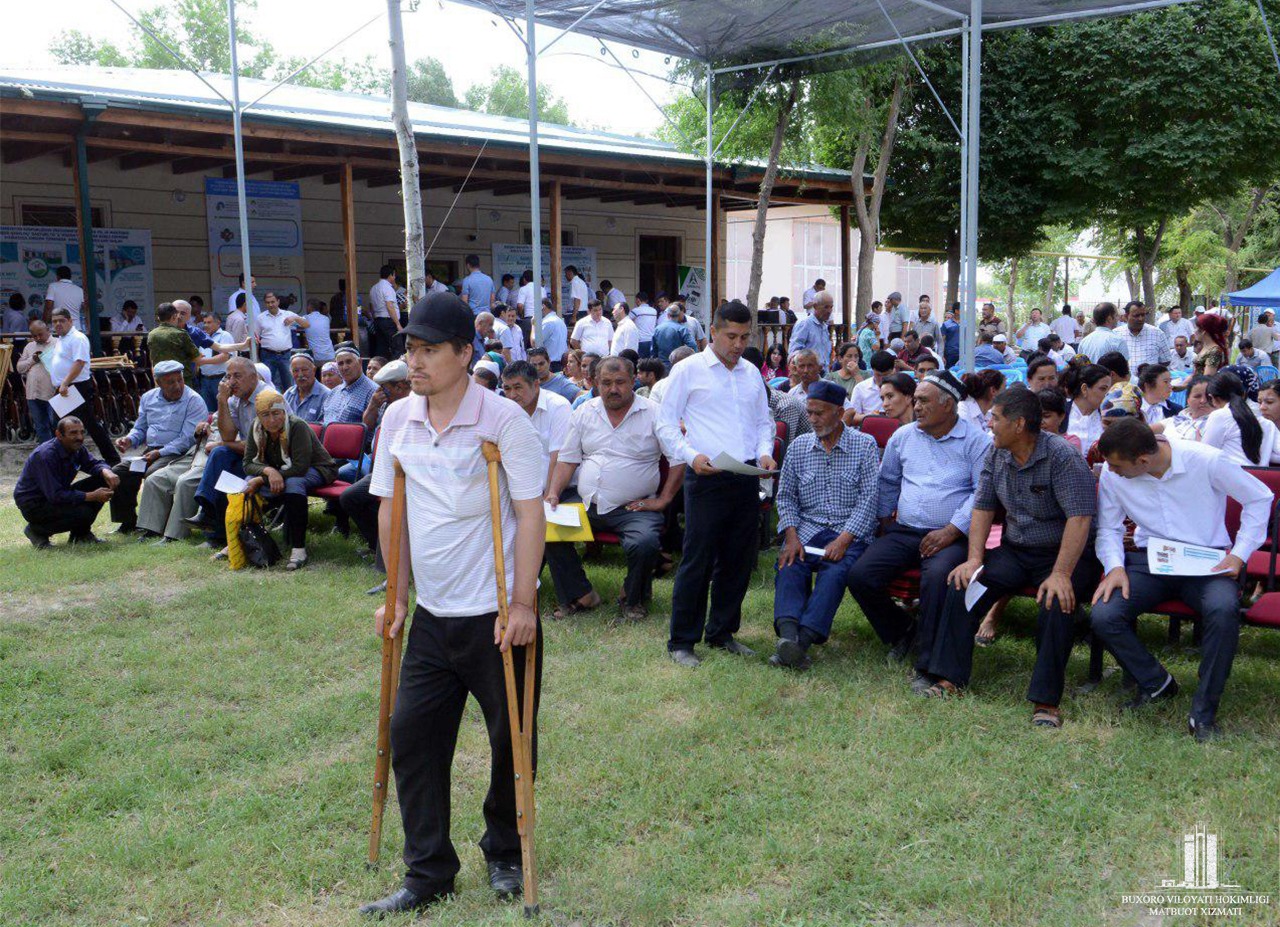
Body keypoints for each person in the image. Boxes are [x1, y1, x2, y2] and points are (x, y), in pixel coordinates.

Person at [360, 292, 545, 917]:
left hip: (496, 616)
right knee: (411, 734)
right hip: (434, 618)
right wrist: (396, 593)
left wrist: (522, 605)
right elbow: (392, 505)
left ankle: (505, 852)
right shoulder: (397, 419)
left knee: (509, 739)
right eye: (410, 348)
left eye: (429, 349)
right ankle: (428, 870)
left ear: (466, 353)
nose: (415, 360)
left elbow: (528, 512)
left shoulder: (503, 421)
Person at [925, 389, 1100, 725]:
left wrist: (1062, 573)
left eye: (995, 418)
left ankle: (1046, 702)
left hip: (1066, 555)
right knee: (965, 586)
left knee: (1055, 600)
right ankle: (950, 678)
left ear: (1019, 424)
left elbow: (1079, 519)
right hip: (1016, 550)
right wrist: (974, 559)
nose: (989, 424)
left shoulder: (1063, 457)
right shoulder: (997, 453)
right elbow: (983, 507)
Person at [1090, 418, 1271, 742]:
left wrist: (1240, 553)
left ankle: (1203, 712)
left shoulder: (1206, 460)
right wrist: (1115, 567)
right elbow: (1109, 528)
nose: (1111, 472)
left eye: (1117, 466)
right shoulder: (1115, 473)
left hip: (1206, 560)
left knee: (1223, 610)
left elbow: (1259, 498)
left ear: (1143, 461)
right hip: (1150, 561)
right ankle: (1157, 683)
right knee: (1105, 615)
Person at [845, 371, 991, 669]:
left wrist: (951, 530)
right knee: (860, 575)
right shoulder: (904, 435)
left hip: (951, 535)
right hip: (904, 530)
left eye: (924, 401)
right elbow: (888, 481)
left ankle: (927, 659)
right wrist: (885, 519)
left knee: (937, 579)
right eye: (916, 401)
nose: (917, 407)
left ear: (948, 405)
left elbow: (982, 494)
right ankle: (903, 631)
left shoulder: (976, 442)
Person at [659, 300, 776, 666]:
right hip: (706, 474)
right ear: (713, 331)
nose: (738, 344)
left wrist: (764, 453)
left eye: (744, 337)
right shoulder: (689, 370)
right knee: (698, 558)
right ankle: (682, 640)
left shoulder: (751, 372)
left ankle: (722, 631)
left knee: (738, 558)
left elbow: (763, 422)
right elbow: (664, 423)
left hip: (744, 474)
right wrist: (691, 455)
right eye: (731, 336)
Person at [543, 356, 684, 622]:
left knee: (644, 544)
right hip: (586, 502)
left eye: (620, 382)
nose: (613, 389)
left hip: (634, 506)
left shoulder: (654, 412)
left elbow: (678, 459)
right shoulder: (585, 411)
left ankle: (632, 598)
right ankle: (581, 595)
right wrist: (554, 492)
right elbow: (568, 458)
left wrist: (664, 500)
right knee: (550, 530)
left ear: (634, 381)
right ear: (595, 382)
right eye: (606, 383)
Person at [771, 380, 879, 670]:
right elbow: (786, 497)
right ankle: (789, 636)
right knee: (789, 564)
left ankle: (800, 644)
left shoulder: (864, 445)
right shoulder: (799, 447)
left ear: (840, 412)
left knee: (836, 572)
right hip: (807, 528)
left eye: (820, 413)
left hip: (849, 532)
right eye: (810, 413)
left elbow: (869, 500)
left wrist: (844, 539)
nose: (813, 419)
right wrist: (791, 535)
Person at [241, 388, 338, 570]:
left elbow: (300, 467)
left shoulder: (297, 426)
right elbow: (247, 463)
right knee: (246, 482)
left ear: (284, 411)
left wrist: (263, 478)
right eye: (265, 415)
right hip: (279, 470)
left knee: (294, 483)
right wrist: (269, 471)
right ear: (258, 416)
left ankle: (298, 548)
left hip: (319, 468)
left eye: (276, 413)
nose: (271, 419)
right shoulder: (256, 427)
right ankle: (241, 540)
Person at [108, 359, 207, 534]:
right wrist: (129, 440)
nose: (177, 386)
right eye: (171, 382)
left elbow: (187, 440)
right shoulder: (148, 398)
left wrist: (159, 453)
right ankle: (127, 522)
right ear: (158, 382)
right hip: (150, 451)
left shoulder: (193, 400)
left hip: (178, 453)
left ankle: (156, 525)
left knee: (153, 473)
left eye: (180, 380)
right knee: (119, 472)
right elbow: (140, 427)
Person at [182, 357, 266, 547]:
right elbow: (228, 434)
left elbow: (261, 447)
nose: (232, 382)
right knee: (221, 458)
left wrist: (224, 444)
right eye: (228, 376)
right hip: (250, 458)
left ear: (254, 377)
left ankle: (211, 523)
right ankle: (210, 519)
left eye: (237, 376)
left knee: (222, 458)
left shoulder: (266, 398)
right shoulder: (236, 398)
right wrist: (222, 400)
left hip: (270, 462)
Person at [14, 416, 120, 547]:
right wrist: (91, 496)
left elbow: (93, 464)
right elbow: (55, 495)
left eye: (82, 432)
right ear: (59, 434)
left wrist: (106, 471)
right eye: (73, 433)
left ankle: (80, 535)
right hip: (35, 504)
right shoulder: (45, 456)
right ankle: (37, 530)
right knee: (84, 512)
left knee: (102, 479)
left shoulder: (76, 448)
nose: (80, 437)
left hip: (57, 494)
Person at [47, 307, 121, 465]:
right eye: (54, 322)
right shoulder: (62, 338)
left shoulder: (77, 338)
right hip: (67, 387)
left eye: (61, 321)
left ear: (70, 321)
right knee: (83, 425)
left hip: (75, 386)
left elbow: (79, 362)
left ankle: (110, 460)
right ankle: (110, 459)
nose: (58, 324)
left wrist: (65, 383)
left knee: (64, 426)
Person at [1202, 370, 1275, 466]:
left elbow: (1205, 454)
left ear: (1212, 398)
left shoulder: (1219, 416)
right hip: (1259, 478)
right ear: (1244, 394)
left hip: (1231, 477)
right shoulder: (1267, 423)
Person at [253, 291, 308, 389]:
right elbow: (255, 339)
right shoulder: (260, 318)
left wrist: (295, 318)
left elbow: (306, 325)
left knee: (290, 385)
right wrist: (256, 358)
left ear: (278, 301)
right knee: (267, 385)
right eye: (268, 302)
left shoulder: (288, 315)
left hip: (285, 355)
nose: (270, 304)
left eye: (273, 302)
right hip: (267, 355)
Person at [17, 319, 57, 442]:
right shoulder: (30, 346)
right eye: (34, 336)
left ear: (48, 330)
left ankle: (59, 455)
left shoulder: (58, 344)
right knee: (41, 427)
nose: (38, 338)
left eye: (40, 334)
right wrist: (32, 360)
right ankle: (46, 455)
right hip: (32, 393)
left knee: (56, 425)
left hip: (53, 392)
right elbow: (19, 368)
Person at [322, 344, 378, 426]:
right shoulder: (333, 392)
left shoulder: (373, 392)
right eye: (340, 363)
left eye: (349, 362)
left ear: (360, 362)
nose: (345, 367)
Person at [1061, 363, 1110, 453]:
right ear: (1084, 389)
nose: (1107, 395)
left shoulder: (1108, 416)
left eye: (1109, 390)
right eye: (1103, 389)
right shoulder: (1061, 412)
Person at [844, 350, 895, 426]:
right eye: (878, 375)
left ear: (893, 371)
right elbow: (853, 417)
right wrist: (870, 417)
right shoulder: (861, 388)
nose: (882, 379)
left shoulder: (900, 386)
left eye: (886, 375)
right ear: (872, 370)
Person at [789, 292, 833, 372]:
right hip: (808, 376)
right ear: (815, 306)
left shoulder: (824, 327)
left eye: (831, 307)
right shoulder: (805, 324)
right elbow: (794, 352)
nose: (829, 311)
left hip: (823, 376)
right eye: (826, 307)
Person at [1120, 302, 1171, 369]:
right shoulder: (1117, 334)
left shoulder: (1158, 334)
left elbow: (1166, 361)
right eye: (1136, 315)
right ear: (1126, 316)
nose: (1140, 319)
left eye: (1143, 315)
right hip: (1125, 379)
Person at [368, 264, 403, 361]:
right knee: (397, 348)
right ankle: (397, 373)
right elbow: (390, 306)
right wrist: (398, 324)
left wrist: (374, 318)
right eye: (394, 275)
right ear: (390, 275)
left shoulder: (373, 288)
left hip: (378, 321)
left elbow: (371, 306)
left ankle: (379, 370)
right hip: (389, 321)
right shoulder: (388, 288)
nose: (394, 278)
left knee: (381, 349)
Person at [284, 351, 329, 423]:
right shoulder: (288, 394)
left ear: (314, 370)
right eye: (295, 371)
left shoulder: (326, 395)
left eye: (304, 370)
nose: (300, 374)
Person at [1165, 374, 1212, 441]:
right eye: (1197, 396)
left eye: (1208, 397)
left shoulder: (1217, 424)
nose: (1203, 401)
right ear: (1188, 400)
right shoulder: (1178, 418)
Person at [44, 265, 85, 330]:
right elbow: (86, 308)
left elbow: (48, 307)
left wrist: (44, 324)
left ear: (57, 276)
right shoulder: (80, 290)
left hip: (59, 328)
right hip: (76, 328)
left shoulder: (53, 286)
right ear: (70, 277)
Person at [537, 298, 568, 370]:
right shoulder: (559, 320)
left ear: (543, 306)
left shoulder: (548, 322)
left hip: (552, 364)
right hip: (560, 362)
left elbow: (535, 342)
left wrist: (533, 325)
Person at [630, 291, 657, 357]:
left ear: (638, 300)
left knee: (640, 363)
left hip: (640, 341)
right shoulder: (654, 311)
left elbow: (627, 321)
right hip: (652, 340)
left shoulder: (635, 311)